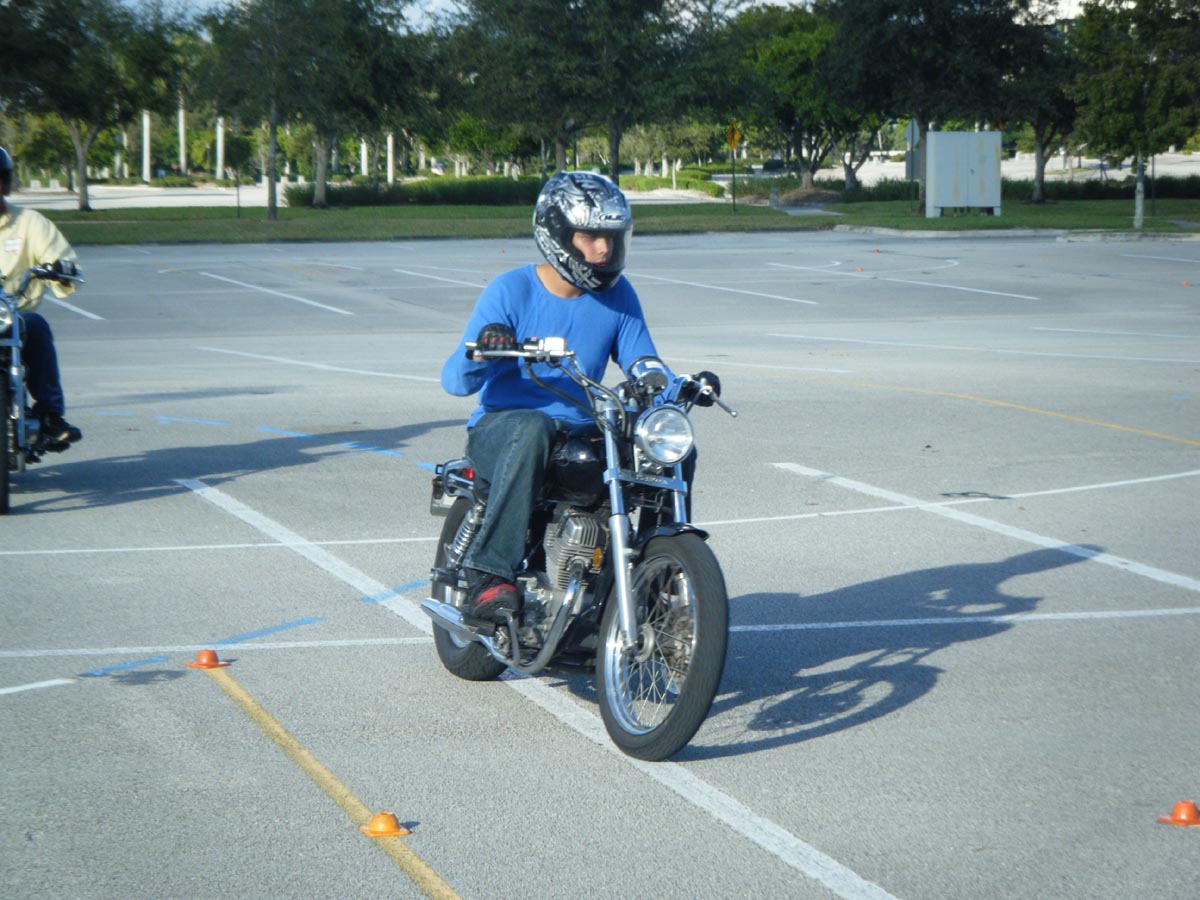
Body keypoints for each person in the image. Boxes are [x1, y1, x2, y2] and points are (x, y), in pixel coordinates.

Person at [441, 170, 716, 623]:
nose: (604, 249)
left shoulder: (618, 296)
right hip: (505, 427)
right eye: (591, 237)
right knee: (533, 427)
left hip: (585, 431)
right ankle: (490, 575)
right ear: (557, 235)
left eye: (611, 237)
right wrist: (486, 349)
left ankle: (657, 569)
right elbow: (455, 381)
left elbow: (644, 362)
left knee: (669, 444)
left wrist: (680, 386)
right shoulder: (510, 290)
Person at [0, 146, 83, 447]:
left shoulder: (29, 223)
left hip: (12, 316)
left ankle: (50, 416)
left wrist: (61, 268)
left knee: (36, 326)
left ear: (6, 183)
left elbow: (57, 254)